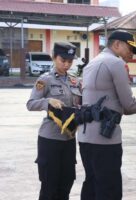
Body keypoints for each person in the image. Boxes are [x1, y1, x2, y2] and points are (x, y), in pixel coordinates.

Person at [77, 30, 136, 200]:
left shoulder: (91, 63)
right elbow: (128, 104)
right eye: (130, 48)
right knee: (109, 189)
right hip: (105, 139)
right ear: (116, 44)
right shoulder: (115, 63)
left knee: (91, 185)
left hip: (86, 137)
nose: (132, 53)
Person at [26, 42, 81, 200]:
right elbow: (30, 104)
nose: (66, 64)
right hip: (50, 139)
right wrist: (47, 101)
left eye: (70, 61)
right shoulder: (45, 80)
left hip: (69, 138)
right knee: (50, 186)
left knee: (67, 182)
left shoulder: (74, 81)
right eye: (63, 60)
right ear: (53, 57)